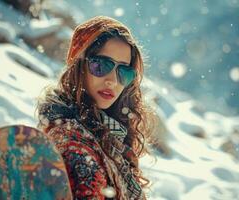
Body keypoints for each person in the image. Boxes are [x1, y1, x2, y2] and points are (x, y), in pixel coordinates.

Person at [36, 15, 155, 199]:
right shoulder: (72, 146)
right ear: (78, 66)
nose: (112, 81)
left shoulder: (111, 136)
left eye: (123, 71)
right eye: (101, 65)